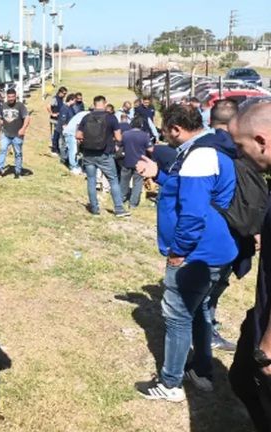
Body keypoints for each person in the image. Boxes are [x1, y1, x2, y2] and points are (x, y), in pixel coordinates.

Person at [135, 104, 237, 402]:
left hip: (197, 252)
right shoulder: (210, 149)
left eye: (165, 131)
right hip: (217, 248)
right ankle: (202, 371)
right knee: (201, 311)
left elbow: (192, 213)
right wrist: (160, 175)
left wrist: (178, 252)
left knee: (178, 316)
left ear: (176, 129)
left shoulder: (199, 157)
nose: (164, 136)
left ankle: (170, 383)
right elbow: (192, 191)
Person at [228, 103, 271, 431]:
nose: (239, 155)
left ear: (262, 141)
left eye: (241, 146)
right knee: (241, 380)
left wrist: (269, 345)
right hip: (260, 312)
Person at [207, 99, 243, 352]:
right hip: (237, 231)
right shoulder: (245, 150)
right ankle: (207, 329)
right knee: (214, 286)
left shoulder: (202, 148)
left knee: (209, 286)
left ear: (210, 120)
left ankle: (207, 325)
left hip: (212, 230)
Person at [76, 95, 130, 217]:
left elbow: (78, 135)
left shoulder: (86, 117)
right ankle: (119, 209)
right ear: (105, 103)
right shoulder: (111, 118)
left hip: (88, 153)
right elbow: (118, 138)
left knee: (91, 180)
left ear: (94, 104)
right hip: (105, 154)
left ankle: (94, 208)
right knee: (113, 180)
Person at [0, 88, 30, 179]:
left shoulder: (20, 106)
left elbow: (27, 118)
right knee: (2, 150)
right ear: (6, 97)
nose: (11, 99)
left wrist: (23, 128)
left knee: (18, 153)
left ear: (15, 96)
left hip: (17, 135)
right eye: (9, 97)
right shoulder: (3, 106)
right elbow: (0, 119)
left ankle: (18, 171)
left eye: (12, 97)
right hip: (6, 134)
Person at [119, 116, 152, 208]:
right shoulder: (145, 135)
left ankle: (121, 198)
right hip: (140, 163)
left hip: (127, 160)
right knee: (137, 183)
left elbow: (119, 146)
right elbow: (150, 149)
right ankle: (133, 203)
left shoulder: (125, 134)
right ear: (141, 125)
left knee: (124, 181)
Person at [62, 105, 89, 176]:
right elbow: (78, 126)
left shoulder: (84, 113)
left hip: (70, 131)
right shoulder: (86, 116)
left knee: (71, 150)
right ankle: (73, 167)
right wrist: (79, 138)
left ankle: (71, 163)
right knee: (73, 150)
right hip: (71, 132)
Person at [47, 86, 67, 156]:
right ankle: (54, 149)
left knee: (58, 135)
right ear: (60, 92)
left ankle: (57, 148)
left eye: (65, 94)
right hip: (54, 120)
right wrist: (52, 113)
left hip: (59, 119)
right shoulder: (55, 99)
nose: (65, 95)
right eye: (64, 93)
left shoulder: (61, 99)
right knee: (55, 135)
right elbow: (48, 106)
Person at [57, 93, 77, 162]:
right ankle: (63, 158)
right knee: (63, 144)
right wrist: (64, 129)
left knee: (67, 145)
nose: (75, 102)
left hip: (69, 129)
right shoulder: (65, 108)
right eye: (74, 101)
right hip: (64, 130)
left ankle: (67, 157)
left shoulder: (70, 108)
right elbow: (63, 120)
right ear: (71, 100)